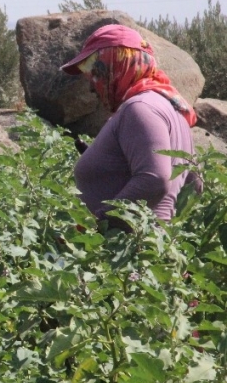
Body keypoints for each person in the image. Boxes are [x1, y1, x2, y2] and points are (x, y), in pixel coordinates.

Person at [60, 24, 202, 230]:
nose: (91, 86)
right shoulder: (172, 107)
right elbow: (195, 185)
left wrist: (95, 225)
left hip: (128, 251)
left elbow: (154, 179)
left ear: (115, 65)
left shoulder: (139, 108)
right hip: (153, 247)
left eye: (93, 72)